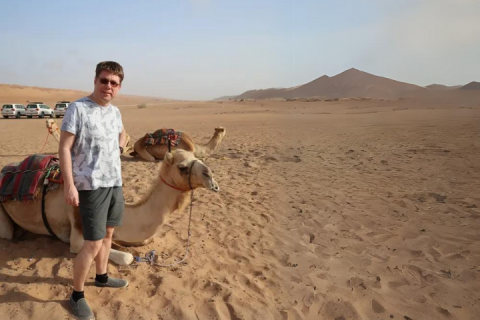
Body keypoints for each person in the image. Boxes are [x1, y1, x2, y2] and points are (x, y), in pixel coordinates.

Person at [59, 61, 128, 320]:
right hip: (91, 185)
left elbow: (123, 135)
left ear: (119, 87)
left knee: (109, 233)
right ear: (96, 81)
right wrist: (70, 184)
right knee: (92, 243)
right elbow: (64, 148)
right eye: (104, 80)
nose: (108, 86)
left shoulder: (115, 112)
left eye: (113, 83)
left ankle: (101, 277)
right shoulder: (78, 109)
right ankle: (76, 296)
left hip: (114, 183)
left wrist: (118, 149)